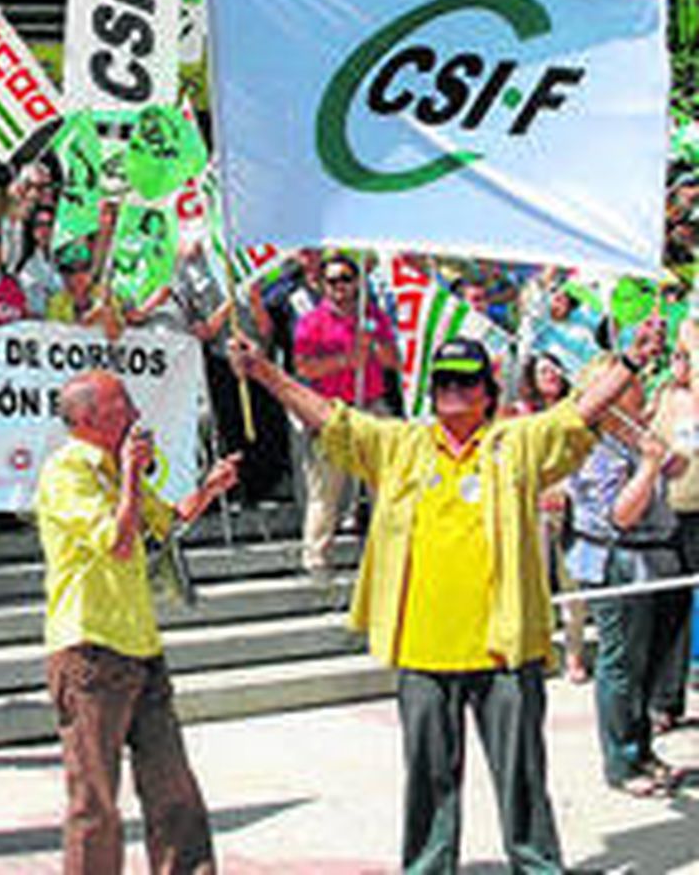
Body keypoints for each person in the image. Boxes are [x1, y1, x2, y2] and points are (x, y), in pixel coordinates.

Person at [228, 319, 665, 872]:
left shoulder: (517, 442)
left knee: (522, 778)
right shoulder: (400, 444)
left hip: (504, 649)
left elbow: (578, 413)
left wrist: (630, 361)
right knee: (428, 781)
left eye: (464, 381)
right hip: (422, 648)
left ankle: (537, 866)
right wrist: (263, 370)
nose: (452, 390)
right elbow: (328, 417)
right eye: (442, 382)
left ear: (487, 391)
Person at [37, 369, 240, 875]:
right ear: (88, 419)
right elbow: (118, 541)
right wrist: (129, 472)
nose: (134, 415)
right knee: (95, 801)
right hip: (89, 651)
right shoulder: (67, 472)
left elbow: (166, 522)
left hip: (140, 646)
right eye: (121, 406)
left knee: (173, 786)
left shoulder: (112, 466)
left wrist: (209, 489)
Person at [567, 354, 690, 797]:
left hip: (658, 555)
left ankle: (643, 748)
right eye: (627, 389)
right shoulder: (593, 445)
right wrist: (650, 467)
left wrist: (663, 458)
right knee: (622, 664)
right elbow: (620, 514)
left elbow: (675, 468)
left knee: (651, 661)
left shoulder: (636, 435)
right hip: (617, 561)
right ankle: (621, 759)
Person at [291, 253, 399, 570]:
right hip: (332, 410)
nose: (340, 286)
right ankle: (316, 558)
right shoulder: (312, 321)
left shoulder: (373, 316)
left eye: (346, 279)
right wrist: (345, 360)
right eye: (332, 280)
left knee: (385, 483)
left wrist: (374, 347)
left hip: (371, 405)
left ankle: (390, 552)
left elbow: (394, 361)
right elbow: (304, 367)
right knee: (326, 489)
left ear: (357, 283)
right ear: (322, 285)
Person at [510, 353, 590, 685]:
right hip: (533, 509)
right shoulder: (520, 415)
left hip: (572, 507)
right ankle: (538, 650)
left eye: (556, 368)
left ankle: (574, 655)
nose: (552, 375)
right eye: (544, 370)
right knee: (534, 583)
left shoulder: (574, 411)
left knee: (574, 587)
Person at [651, 342, 699, 725]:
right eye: (676, 356)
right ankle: (667, 700)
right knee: (673, 608)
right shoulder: (662, 397)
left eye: (687, 356)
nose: (680, 363)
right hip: (671, 511)